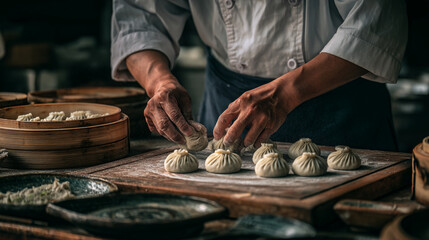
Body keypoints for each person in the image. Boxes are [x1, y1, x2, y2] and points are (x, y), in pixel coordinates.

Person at [111, 0, 407, 151]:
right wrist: (159, 81)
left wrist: (286, 93)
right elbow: (139, 15)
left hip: (340, 103)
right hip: (227, 103)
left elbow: (376, 22)